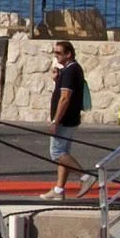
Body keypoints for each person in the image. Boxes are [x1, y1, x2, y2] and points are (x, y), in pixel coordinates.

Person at [46, 41, 86, 200]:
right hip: (70, 118)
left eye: (58, 53)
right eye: (54, 52)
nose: (55, 56)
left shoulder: (70, 71)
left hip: (65, 119)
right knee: (63, 153)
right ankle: (59, 189)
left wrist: (55, 121)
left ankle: (85, 176)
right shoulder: (69, 70)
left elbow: (65, 98)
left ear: (68, 54)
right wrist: (57, 79)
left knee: (56, 152)